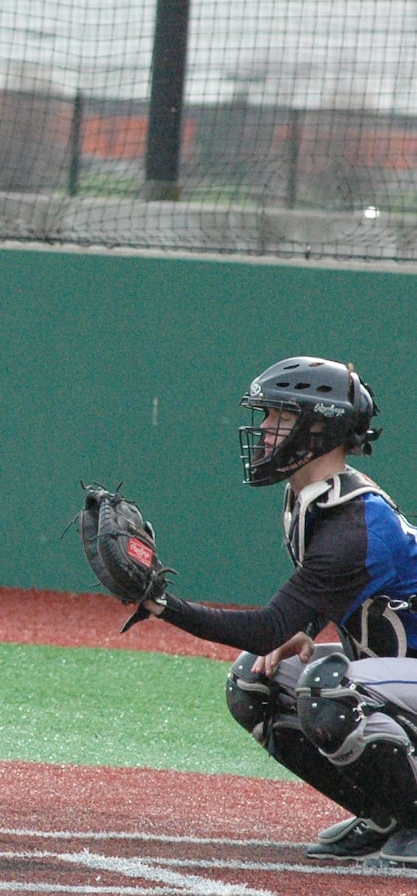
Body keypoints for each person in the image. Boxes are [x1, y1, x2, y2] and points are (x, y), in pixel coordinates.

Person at [135, 357, 417, 862]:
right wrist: (304, 627)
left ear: (320, 426)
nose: (264, 430)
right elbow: (310, 611)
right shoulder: (315, 500)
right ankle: (387, 814)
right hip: (406, 673)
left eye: (278, 417)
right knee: (255, 682)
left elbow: (268, 627)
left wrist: (160, 603)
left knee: (328, 688)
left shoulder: (354, 525)